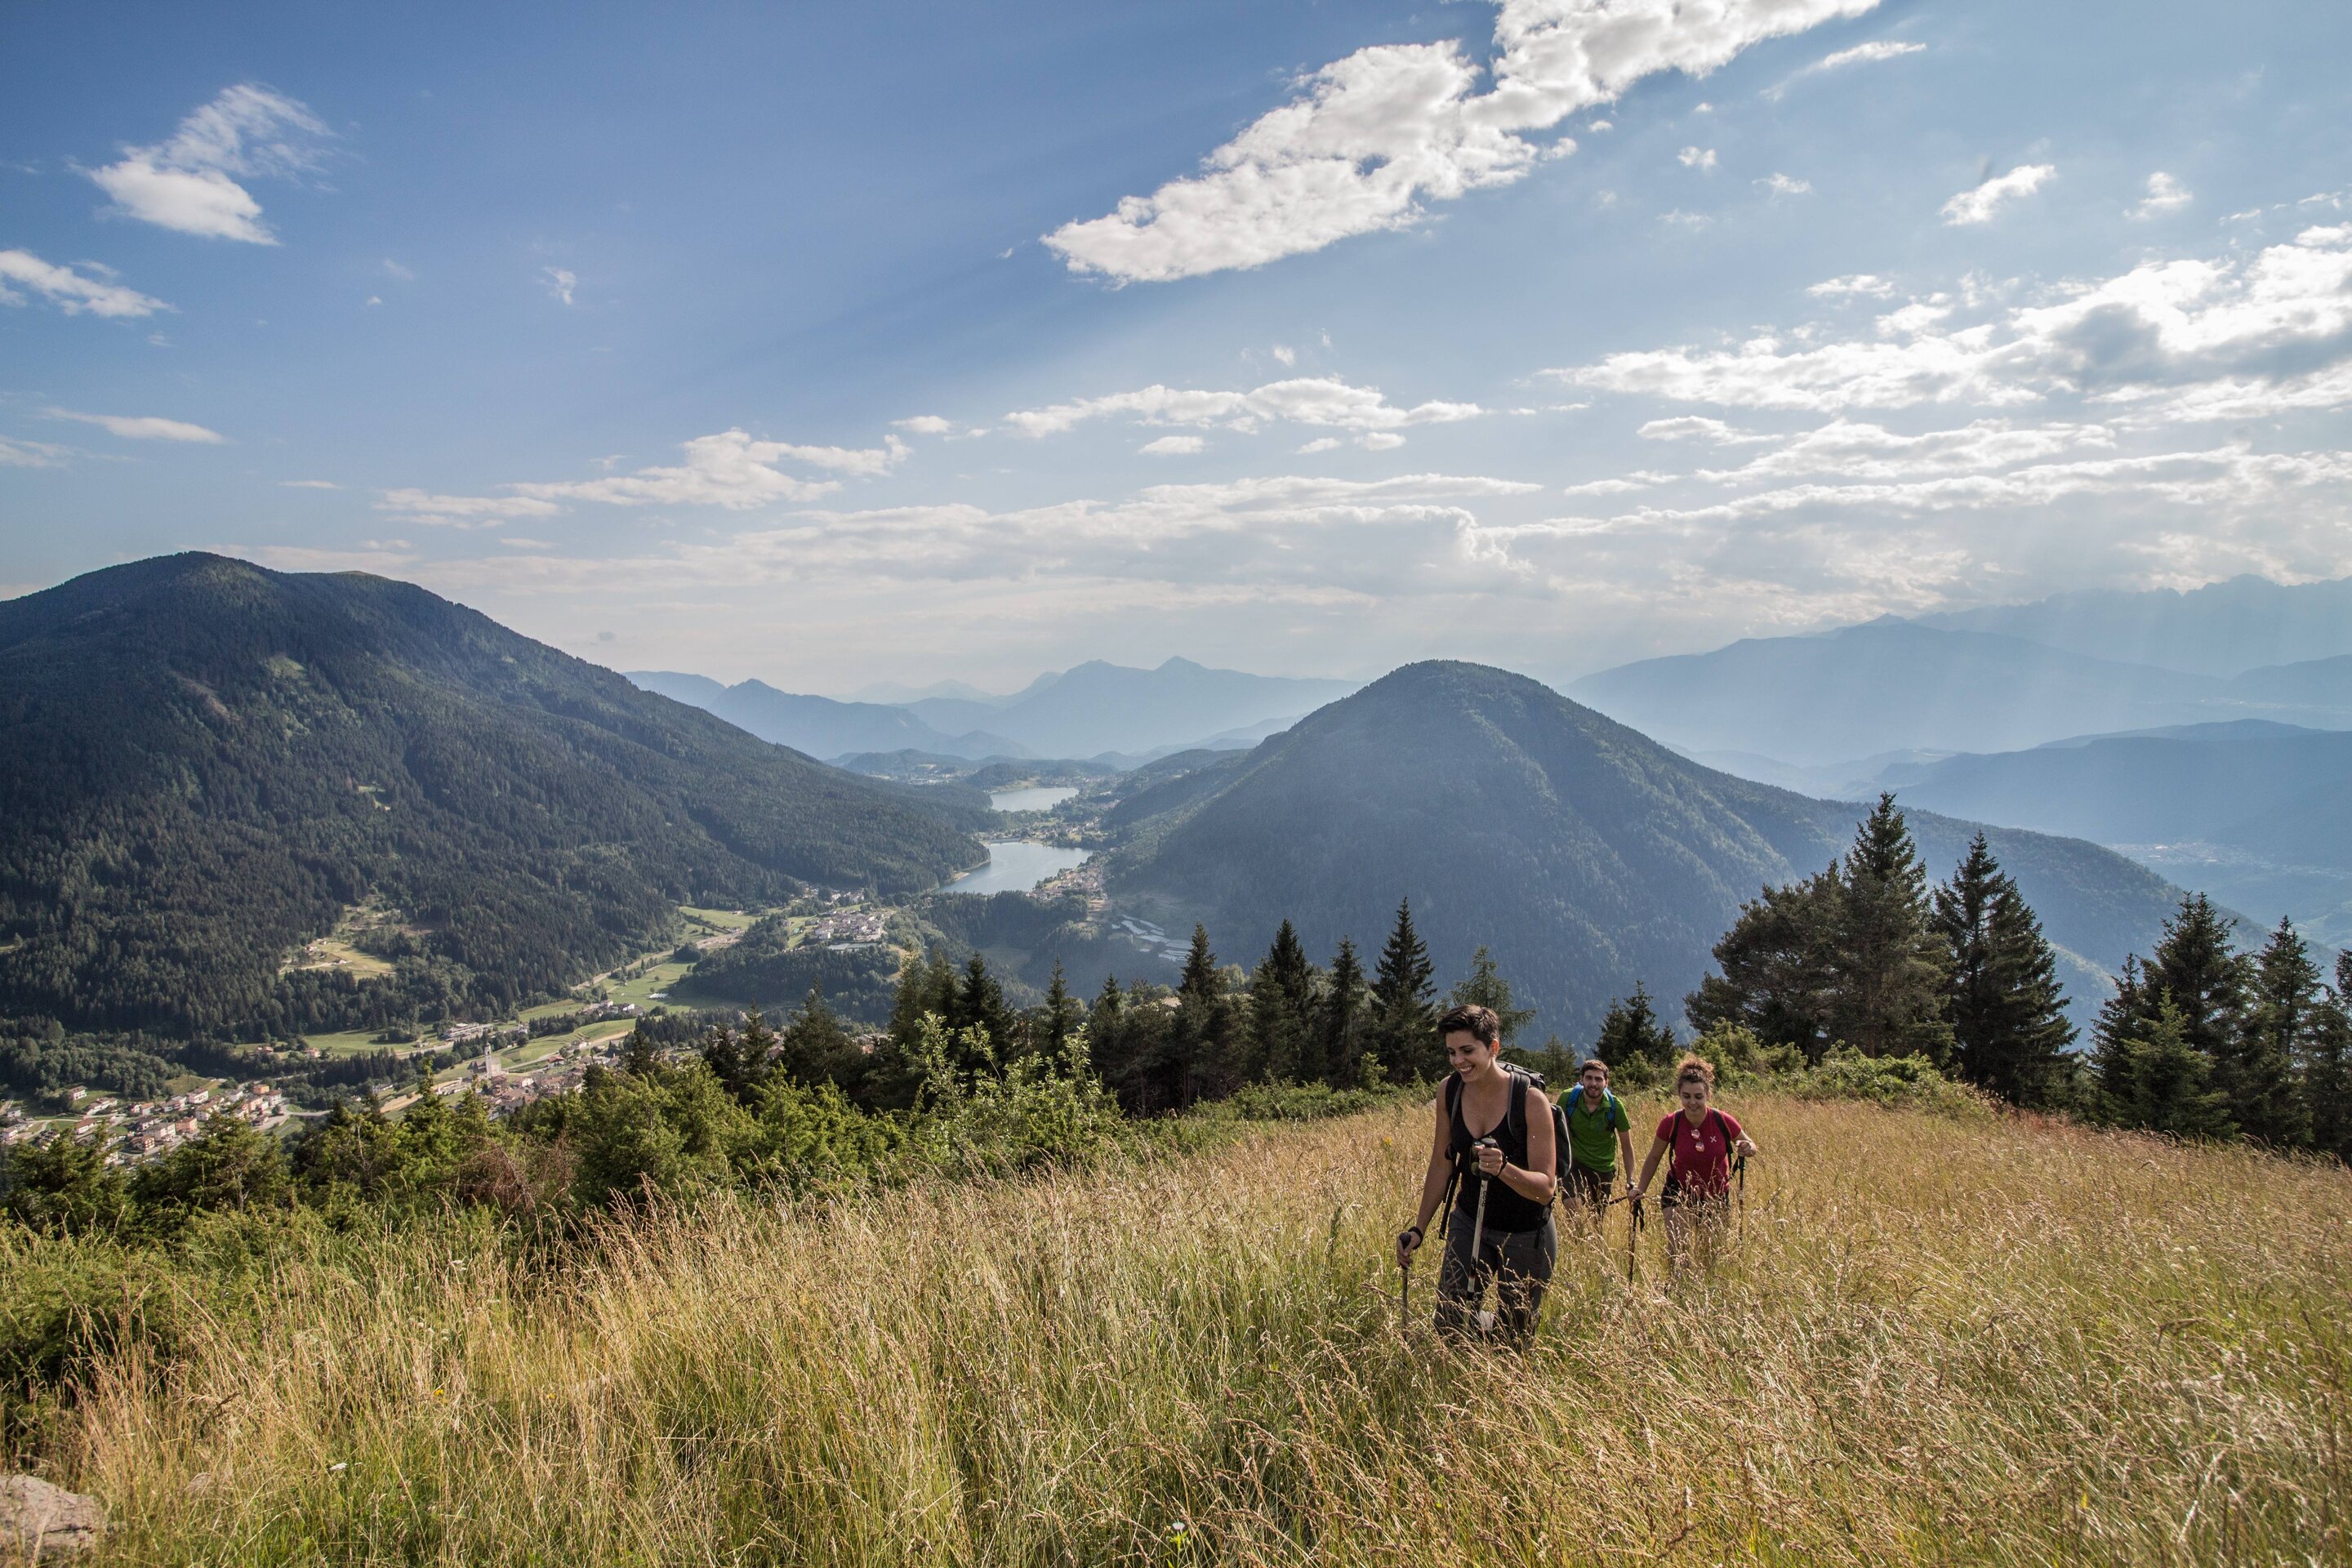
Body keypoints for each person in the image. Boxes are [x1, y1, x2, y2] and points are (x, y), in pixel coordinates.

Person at [1396, 1003, 1557, 1339]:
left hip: (1526, 1232)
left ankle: (1492, 1341)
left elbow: (1545, 1188)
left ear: (1493, 1048)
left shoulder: (1530, 1100)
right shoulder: (1450, 1091)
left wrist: (1503, 1169)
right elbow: (1442, 1162)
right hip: (1469, 1221)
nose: (1458, 1061)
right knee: (1449, 1325)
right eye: (1451, 1052)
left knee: (1515, 1335)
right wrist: (1419, 1228)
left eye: (1467, 1050)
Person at [1631, 1054, 1757, 1268]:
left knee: (1711, 1258)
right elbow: (1654, 1156)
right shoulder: (1671, 1122)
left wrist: (1748, 1148)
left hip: (1716, 1195)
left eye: (1698, 1096)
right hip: (1678, 1192)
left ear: (1708, 1094)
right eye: (1686, 1096)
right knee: (1679, 1254)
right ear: (1679, 1095)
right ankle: (1676, 1294)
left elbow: (1751, 1145)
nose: (1692, 1102)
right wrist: (1640, 1189)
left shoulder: (1722, 1120)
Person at [1559, 1057, 1636, 1227]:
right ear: (1582, 1080)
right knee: (1573, 1206)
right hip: (1574, 1163)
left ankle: (1594, 1249)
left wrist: (1631, 1180)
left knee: (1597, 1219)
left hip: (1603, 1167)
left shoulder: (1615, 1106)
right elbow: (1553, 1131)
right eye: (1589, 1078)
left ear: (1606, 1082)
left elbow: (1627, 1145)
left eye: (1598, 1079)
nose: (1593, 1083)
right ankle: (1576, 1246)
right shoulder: (1567, 1099)